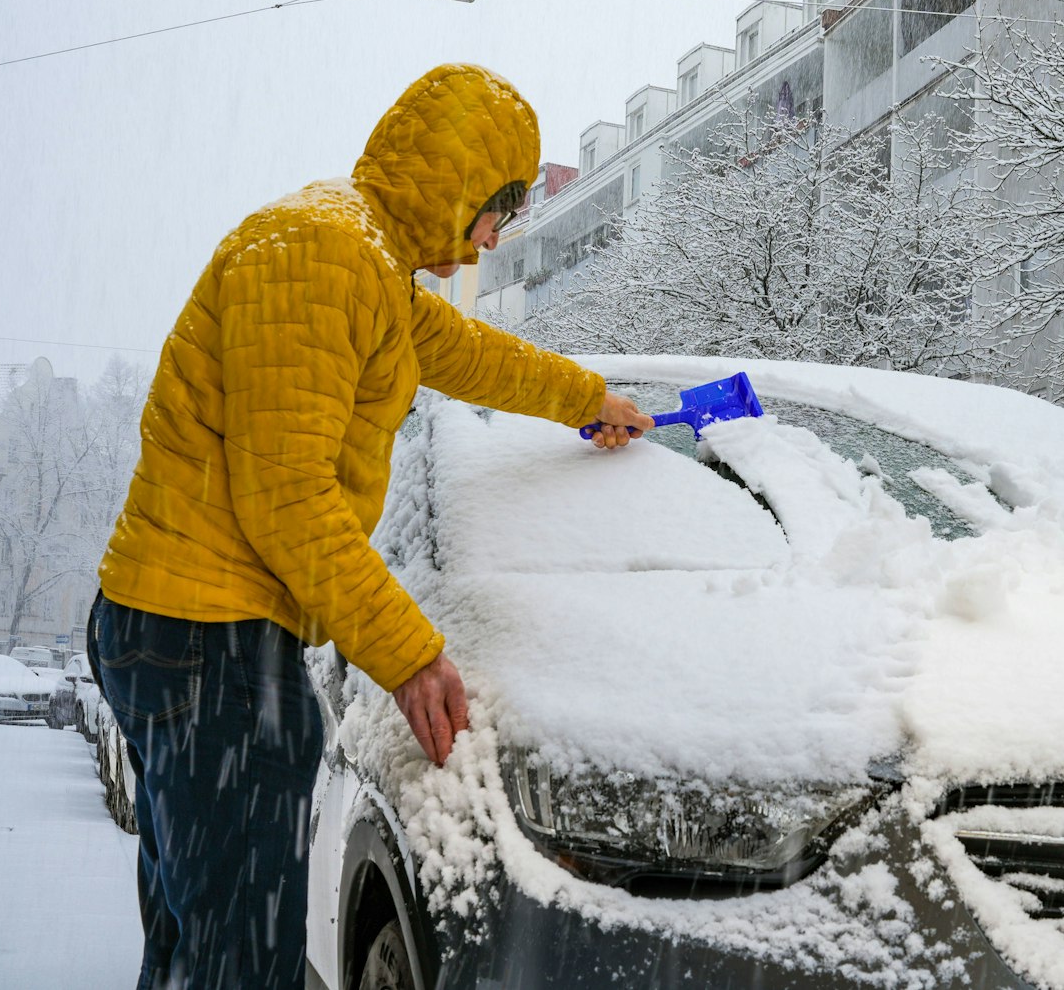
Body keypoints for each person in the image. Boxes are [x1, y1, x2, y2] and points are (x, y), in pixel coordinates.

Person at [86, 64, 653, 990]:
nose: (492, 240)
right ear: (459, 185)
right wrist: (411, 655)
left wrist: (588, 400)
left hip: (187, 633)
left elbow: (477, 356)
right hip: (207, 639)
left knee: (201, 953)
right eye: (498, 211)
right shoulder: (322, 253)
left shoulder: (367, 264)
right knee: (239, 965)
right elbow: (288, 497)